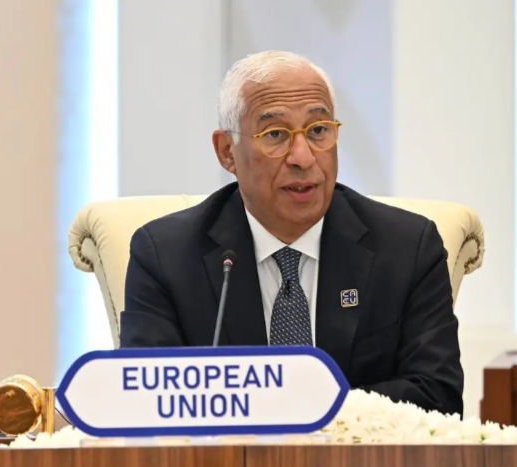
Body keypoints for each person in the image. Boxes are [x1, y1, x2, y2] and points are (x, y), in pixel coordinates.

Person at [119, 50, 463, 416]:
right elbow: (147, 404)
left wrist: (308, 414)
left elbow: (437, 395)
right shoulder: (165, 256)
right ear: (227, 152)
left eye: (318, 131)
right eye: (276, 134)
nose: (303, 157)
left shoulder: (407, 247)